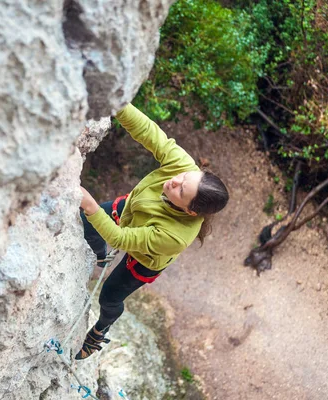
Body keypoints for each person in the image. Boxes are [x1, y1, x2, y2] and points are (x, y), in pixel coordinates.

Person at [76, 103, 229, 360]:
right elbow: (149, 132)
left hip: (145, 258)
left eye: (182, 190)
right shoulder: (184, 168)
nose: (175, 181)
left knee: (110, 295)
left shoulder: (175, 236)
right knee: (86, 222)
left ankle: (101, 329)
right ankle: (99, 254)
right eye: (184, 177)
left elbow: (120, 238)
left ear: (191, 211)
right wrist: (119, 104)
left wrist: (91, 205)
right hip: (134, 210)